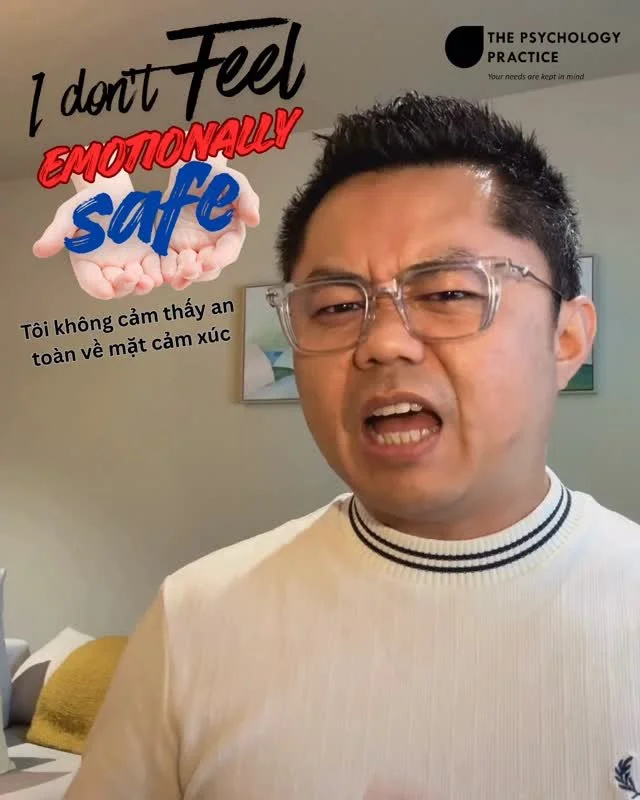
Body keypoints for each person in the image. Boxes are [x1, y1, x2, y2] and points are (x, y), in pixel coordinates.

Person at [64, 92, 640, 800]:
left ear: (568, 339)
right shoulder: (195, 617)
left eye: (448, 293)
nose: (384, 343)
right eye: (336, 307)